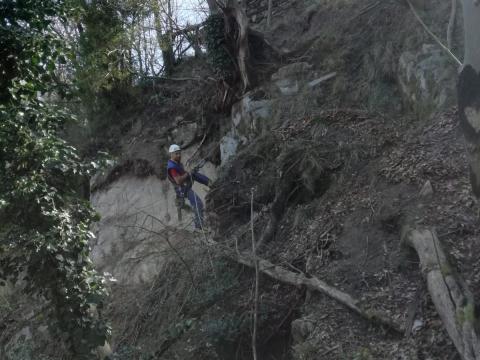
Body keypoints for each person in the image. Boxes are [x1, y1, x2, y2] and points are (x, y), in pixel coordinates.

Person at [167, 144, 210, 229]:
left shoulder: (176, 163)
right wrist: (188, 173)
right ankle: (199, 227)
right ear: (171, 154)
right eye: (176, 154)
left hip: (185, 185)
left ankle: (210, 183)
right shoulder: (172, 167)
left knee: (194, 173)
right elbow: (178, 181)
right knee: (198, 203)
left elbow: (184, 173)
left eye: (179, 153)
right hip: (182, 189)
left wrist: (190, 172)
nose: (179, 155)